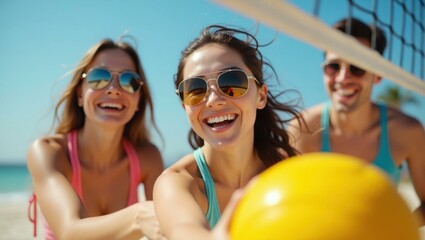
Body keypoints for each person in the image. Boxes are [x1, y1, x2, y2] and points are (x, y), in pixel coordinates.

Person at [153, 25, 304, 240]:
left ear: (261, 96)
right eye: (196, 89)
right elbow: (184, 231)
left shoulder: (288, 171)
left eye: (232, 82)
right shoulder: (177, 183)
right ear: (184, 106)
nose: (214, 101)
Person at [288, 18, 425, 225]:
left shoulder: (407, 131)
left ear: (378, 74)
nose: (343, 78)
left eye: (357, 66)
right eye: (333, 66)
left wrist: (395, 229)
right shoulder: (303, 128)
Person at [26, 38, 166, 239]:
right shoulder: (48, 152)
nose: (113, 89)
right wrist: (139, 217)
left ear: (138, 100)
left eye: (129, 81)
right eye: (99, 77)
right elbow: (69, 232)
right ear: (80, 95)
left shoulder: (148, 157)